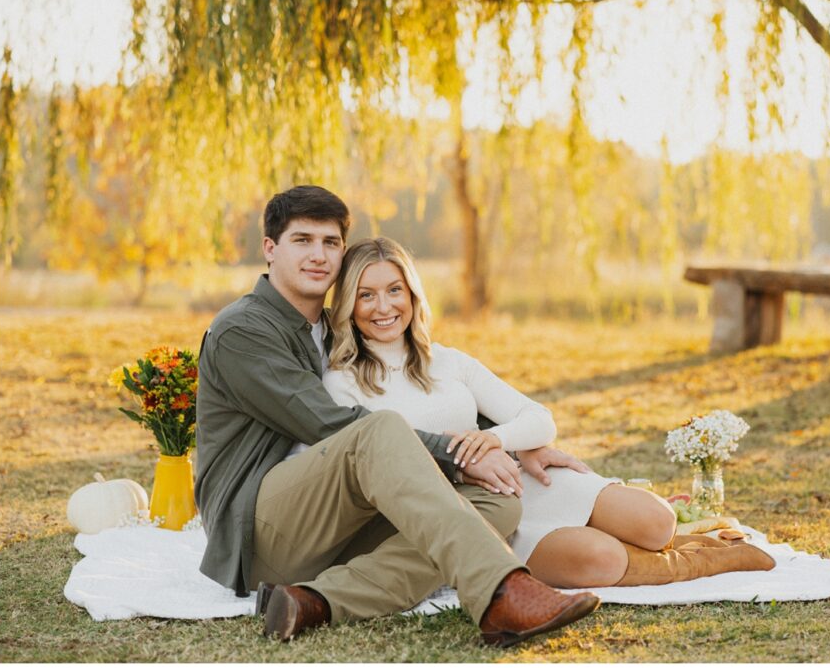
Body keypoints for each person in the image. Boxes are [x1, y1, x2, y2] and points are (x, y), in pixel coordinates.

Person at [195, 185, 599, 645]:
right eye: (302, 240)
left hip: (328, 521)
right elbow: (330, 425)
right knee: (378, 430)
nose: (318, 255)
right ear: (269, 248)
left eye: (330, 243)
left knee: (497, 503)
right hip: (259, 529)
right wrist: (460, 453)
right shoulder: (242, 331)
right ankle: (501, 592)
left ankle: (313, 601)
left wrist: (500, 441)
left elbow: (404, 394)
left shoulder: (331, 329)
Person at [324, 237, 776, 589]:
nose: (383, 307)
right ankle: (712, 557)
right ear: (348, 304)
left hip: (521, 479)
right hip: (470, 511)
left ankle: (692, 541)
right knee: (602, 559)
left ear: (412, 294)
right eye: (366, 295)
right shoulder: (342, 381)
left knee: (656, 521)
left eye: (394, 290)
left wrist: (498, 440)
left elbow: (538, 417)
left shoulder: (449, 360)